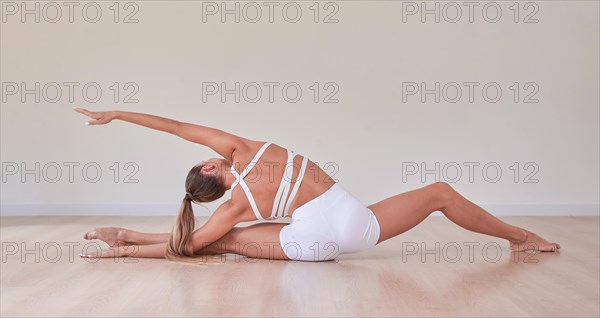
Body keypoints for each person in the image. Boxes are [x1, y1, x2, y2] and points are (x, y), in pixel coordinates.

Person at [73, 108, 560, 263]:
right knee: (440, 194)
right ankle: (523, 240)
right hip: (354, 225)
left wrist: (130, 251)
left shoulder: (235, 205)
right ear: (211, 164)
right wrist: (118, 113)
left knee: (221, 241)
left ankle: (126, 237)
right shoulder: (243, 149)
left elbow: (190, 245)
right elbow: (178, 126)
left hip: (311, 244)